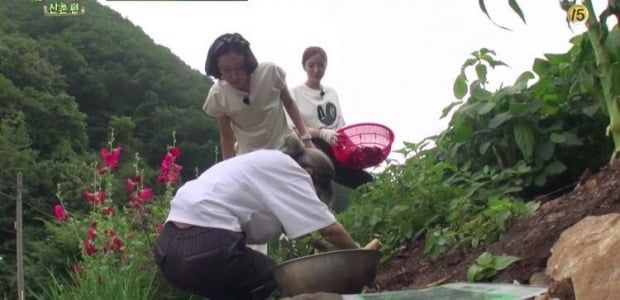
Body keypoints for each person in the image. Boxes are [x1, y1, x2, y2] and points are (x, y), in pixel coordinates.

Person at [152, 135, 360, 300]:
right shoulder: (294, 172)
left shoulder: (262, 163)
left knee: (232, 284)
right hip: (208, 246)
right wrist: (359, 254)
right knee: (274, 276)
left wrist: (324, 247)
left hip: (168, 252)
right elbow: (329, 229)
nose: (311, 199)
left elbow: (311, 234)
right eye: (315, 194)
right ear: (309, 173)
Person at [203, 33, 314, 161]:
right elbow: (227, 135)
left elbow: (289, 103)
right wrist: (226, 166)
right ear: (217, 69)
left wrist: (307, 139)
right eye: (226, 70)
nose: (234, 76)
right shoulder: (218, 94)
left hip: (286, 149)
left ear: (247, 60)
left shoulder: (270, 72)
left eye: (239, 67)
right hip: (250, 159)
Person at [291, 46, 373, 190]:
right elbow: (293, 130)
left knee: (367, 182)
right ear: (304, 66)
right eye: (311, 65)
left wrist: (355, 147)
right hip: (311, 147)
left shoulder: (331, 93)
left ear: (326, 66)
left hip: (336, 148)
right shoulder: (295, 93)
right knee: (320, 181)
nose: (316, 70)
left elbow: (341, 126)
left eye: (321, 65)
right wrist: (322, 133)